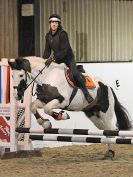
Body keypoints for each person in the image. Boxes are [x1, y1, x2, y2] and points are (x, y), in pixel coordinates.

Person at [43, 14, 94, 104]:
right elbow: (47, 51)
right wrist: (43, 61)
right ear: (49, 24)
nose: (54, 24)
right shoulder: (48, 36)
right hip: (57, 60)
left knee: (74, 74)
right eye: (52, 22)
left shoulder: (63, 34)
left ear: (58, 24)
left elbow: (64, 50)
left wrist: (53, 58)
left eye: (56, 22)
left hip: (68, 58)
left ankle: (86, 93)